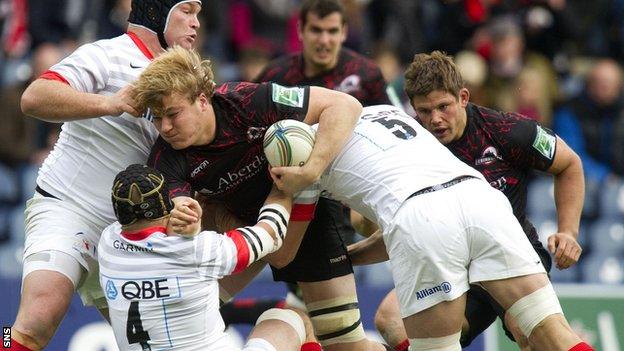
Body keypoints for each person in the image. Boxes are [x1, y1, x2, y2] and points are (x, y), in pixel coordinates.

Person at [270, 104, 593, 351]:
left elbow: (287, 254)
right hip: (481, 199)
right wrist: (350, 255)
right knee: (553, 335)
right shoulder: (387, 112)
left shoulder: (306, 153)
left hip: (422, 217)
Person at [133, 47, 379, 351]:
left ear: (201, 100)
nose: (165, 128)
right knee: (186, 307)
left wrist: (311, 170)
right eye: (156, 119)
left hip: (302, 206)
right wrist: (185, 220)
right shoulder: (164, 159)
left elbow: (345, 105)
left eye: (172, 115)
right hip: (242, 229)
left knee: (346, 347)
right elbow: (176, 224)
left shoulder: (248, 102)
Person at [9, 1, 202, 350]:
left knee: (160, 346)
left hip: (132, 230)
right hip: (70, 208)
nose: (196, 23)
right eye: (187, 11)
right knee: (34, 320)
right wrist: (112, 103)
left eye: (198, 15)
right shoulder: (108, 54)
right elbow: (34, 97)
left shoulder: (188, 80)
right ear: (157, 12)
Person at [363, 50, 585, 350]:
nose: (436, 120)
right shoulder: (411, 151)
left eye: (444, 106)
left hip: (511, 255)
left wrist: (568, 231)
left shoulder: (507, 131)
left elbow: (570, 164)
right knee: (391, 319)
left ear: (463, 97)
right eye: (424, 111)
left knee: (533, 336)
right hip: (453, 265)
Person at [254, 1, 391, 347]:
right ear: (300, 31)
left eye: (332, 31)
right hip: (292, 202)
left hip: (346, 197)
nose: (324, 40)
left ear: (344, 32)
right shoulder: (275, 77)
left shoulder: (367, 75)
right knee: (319, 322)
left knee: (319, 318)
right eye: (316, 30)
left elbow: (396, 126)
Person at [99, 163, 305, 351]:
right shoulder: (198, 250)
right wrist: (282, 187)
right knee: (290, 319)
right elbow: (271, 234)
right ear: (167, 208)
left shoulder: (107, 243)